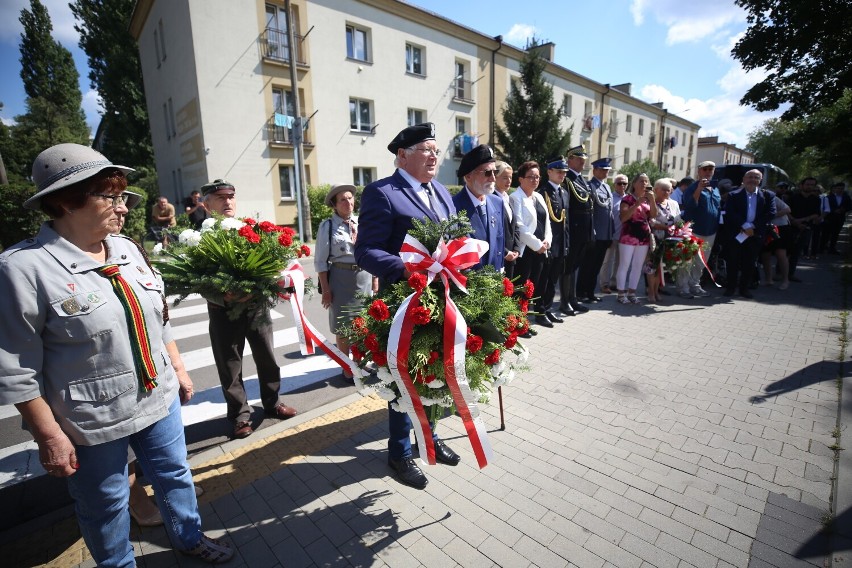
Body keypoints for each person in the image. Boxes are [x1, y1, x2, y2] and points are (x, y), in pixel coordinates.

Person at [0, 143, 232, 566]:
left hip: (157, 398)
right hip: (93, 420)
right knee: (105, 504)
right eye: (110, 195)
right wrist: (49, 435)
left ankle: (190, 539)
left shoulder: (126, 249)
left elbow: (157, 318)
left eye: (121, 195)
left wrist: (177, 369)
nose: (121, 206)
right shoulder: (23, 268)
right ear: (67, 202)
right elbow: (14, 367)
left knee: (175, 477)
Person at [354, 122, 461, 490]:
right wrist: (410, 267)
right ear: (402, 155)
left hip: (443, 296)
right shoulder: (382, 192)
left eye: (436, 150)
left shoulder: (443, 193)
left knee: (436, 371)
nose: (435, 156)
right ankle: (399, 452)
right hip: (406, 298)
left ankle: (429, 438)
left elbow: (456, 238)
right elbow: (365, 251)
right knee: (404, 378)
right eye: (427, 150)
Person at [201, 179, 298, 439]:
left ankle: (272, 402)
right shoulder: (200, 237)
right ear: (206, 204)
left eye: (231, 197)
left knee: (267, 357)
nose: (228, 202)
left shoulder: (249, 229)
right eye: (220, 198)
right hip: (223, 310)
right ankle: (240, 415)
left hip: (256, 307)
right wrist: (224, 295)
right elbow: (196, 278)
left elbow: (269, 264)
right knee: (230, 365)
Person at [315, 184, 377, 381]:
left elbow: (372, 252)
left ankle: (360, 363)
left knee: (363, 325)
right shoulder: (328, 226)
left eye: (350, 198)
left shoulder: (362, 223)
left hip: (364, 278)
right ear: (334, 204)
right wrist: (326, 290)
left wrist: (375, 279)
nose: (348, 202)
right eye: (343, 199)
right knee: (343, 327)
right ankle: (347, 367)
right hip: (341, 279)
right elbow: (320, 262)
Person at [510, 161, 551, 338]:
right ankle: (518, 325)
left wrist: (547, 241)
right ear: (521, 179)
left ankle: (526, 322)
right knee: (522, 289)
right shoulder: (515, 197)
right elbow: (519, 226)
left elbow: (547, 222)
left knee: (534, 288)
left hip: (540, 250)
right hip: (526, 251)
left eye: (537, 176)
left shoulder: (539, 197)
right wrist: (537, 245)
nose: (535, 180)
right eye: (531, 177)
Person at [722, 169, 776, 299]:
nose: (752, 179)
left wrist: (753, 226)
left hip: (755, 235)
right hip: (737, 234)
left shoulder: (768, 195)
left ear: (760, 180)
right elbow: (729, 213)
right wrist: (744, 225)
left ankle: (744, 289)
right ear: (744, 179)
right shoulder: (733, 195)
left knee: (750, 263)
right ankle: (730, 288)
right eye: (749, 177)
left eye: (756, 177)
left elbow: (771, 213)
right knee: (733, 262)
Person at [452, 144, 506, 271]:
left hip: (494, 282)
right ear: (468, 176)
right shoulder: (452, 207)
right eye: (487, 173)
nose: (493, 178)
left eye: (495, 172)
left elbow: (499, 245)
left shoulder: (498, 202)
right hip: (468, 285)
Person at [559, 145, 595, 316]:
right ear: (570, 160)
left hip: (583, 230)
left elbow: (589, 206)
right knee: (568, 268)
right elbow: (566, 208)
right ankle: (565, 301)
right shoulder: (567, 180)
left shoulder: (581, 179)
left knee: (575, 267)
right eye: (579, 159)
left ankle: (573, 299)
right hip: (573, 230)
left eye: (583, 159)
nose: (582, 162)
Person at [535, 157, 570, 325]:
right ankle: (540, 312)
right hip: (549, 244)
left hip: (561, 244)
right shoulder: (543, 193)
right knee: (544, 280)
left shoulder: (563, 192)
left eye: (564, 172)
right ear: (549, 172)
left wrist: (567, 243)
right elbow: (542, 222)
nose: (562, 175)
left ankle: (548, 309)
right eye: (559, 172)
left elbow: (565, 221)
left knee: (553, 280)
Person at [679, 161, 721, 298]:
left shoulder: (715, 188)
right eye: (705, 169)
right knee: (688, 260)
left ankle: (695, 285)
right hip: (694, 230)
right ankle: (683, 287)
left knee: (702, 261)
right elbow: (690, 206)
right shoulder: (692, 187)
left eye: (711, 169)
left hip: (710, 231)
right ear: (699, 171)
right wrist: (699, 189)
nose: (708, 172)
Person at [616, 173, 657, 304]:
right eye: (641, 181)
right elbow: (623, 218)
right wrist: (636, 204)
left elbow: (654, 216)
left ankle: (632, 292)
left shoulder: (648, 199)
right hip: (628, 237)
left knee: (638, 266)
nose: (644, 184)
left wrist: (652, 200)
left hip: (643, 238)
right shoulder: (627, 199)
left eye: (646, 181)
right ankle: (621, 294)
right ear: (634, 184)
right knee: (624, 265)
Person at [577, 157, 614, 303]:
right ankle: (581, 292)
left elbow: (609, 212)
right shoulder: (590, 186)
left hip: (605, 234)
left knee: (597, 266)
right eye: (603, 170)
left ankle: (590, 292)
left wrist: (610, 233)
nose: (606, 172)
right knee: (587, 265)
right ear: (595, 170)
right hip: (594, 234)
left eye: (607, 170)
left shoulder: (606, 187)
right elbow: (590, 213)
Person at [647, 178, 681, 303]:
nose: (667, 192)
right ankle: (650, 292)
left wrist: (679, 228)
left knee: (661, 268)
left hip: (669, 240)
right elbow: (652, 221)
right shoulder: (651, 202)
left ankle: (657, 291)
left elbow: (678, 220)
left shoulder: (674, 204)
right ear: (656, 190)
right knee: (652, 267)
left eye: (669, 190)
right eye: (664, 190)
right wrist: (666, 227)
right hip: (654, 239)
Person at [788, 177, 822, 280]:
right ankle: (779, 272)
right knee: (785, 250)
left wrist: (803, 220)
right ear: (802, 185)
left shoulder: (816, 199)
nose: (809, 186)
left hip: (806, 227)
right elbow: (787, 211)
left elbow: (816, 214)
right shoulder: (793, 197)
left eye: (812, 185)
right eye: (807, 184)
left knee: (797, 251)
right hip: (791, 226)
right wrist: (795, 221)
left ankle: (791, 274)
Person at [599, 173, 627, 294]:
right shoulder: (610, 197)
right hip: (611, 234)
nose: (622, 185)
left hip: (624, 236)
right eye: (619, 183)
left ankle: (614, 283)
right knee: (607, 261)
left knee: (620, 262)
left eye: (624, 183)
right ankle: (604, 284)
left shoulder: (629, 199)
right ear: (614, 184)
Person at [760, 187, 792, 290]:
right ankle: (769, 279)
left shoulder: (773, 198)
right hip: (765, 228)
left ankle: (785, 280)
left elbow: (787, 209)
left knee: (781, 254)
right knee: (765, 255)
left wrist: (772, 215)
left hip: (780, 227)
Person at [495, 160, 521, 280]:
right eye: (505, 177)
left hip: (512, 256)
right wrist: (505, 252)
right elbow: (493, 231)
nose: (509, 181)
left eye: (510, 177)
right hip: (499, 256)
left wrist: (516, 248)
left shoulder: (508, 198)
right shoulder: (491, 199)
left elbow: (514, 226)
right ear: (495, 177)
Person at [821, 182, 850, 254]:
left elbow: (849, 206)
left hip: (840, 218)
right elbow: (826, 207)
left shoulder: (846, 197)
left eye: (842, 189)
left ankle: (832, 248)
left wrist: (844, 209)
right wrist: (834, 210)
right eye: (838, 188)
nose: (840, 190)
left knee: (836, 234)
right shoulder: (829, 197)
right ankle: (822, 247)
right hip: (829, 218)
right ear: (835, 189)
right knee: (826, 233)